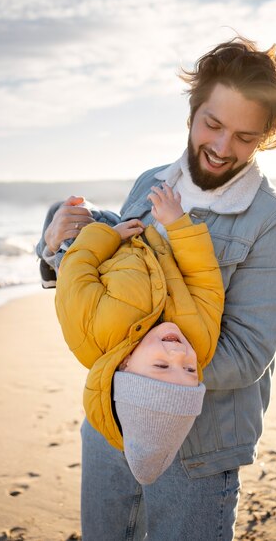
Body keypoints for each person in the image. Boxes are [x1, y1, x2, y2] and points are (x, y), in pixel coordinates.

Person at [36, 35, 276, 541]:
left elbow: (247, 355)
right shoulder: (149, 181)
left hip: (198, 449)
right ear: (192, 110)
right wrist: (58, 243)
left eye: (245, 137)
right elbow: (120, 265)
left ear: (266, 137)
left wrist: (137, 355)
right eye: (213, 124)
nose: (223, 148)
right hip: (108, 422)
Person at [54, 184, 224, 485]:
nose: (179, 354)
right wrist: (177, 224)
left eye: (161, 366)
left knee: (67, 212)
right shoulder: (200, 341)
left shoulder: (92, 335)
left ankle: (52, 243)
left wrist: (107, 236)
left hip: (94, 246)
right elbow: (204, 280)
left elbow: (76, 271)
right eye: (189, 370)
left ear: (125, 365)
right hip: (147, 239)